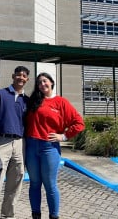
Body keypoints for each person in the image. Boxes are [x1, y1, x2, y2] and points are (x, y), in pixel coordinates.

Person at [25, 72, 85, 219]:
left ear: (51, 82)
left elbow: (79, 123)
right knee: (34, 183)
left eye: (45, 81)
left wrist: (63, 136)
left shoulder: (61, 102)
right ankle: (36, 215)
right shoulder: (33, 101)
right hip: (31, 147)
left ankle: (54, 215)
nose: (42, 84)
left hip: (49, 148)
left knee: (50, 185)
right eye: (39, 83)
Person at [0, 66, 30, 219]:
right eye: (18, 75)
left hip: (20, 144)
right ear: (13, 76)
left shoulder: (27, 101)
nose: (20, 78)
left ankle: (7, 216)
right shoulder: (0, 94)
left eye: (24, 76)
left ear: (27, 79)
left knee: (16, 182)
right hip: (1, 142)